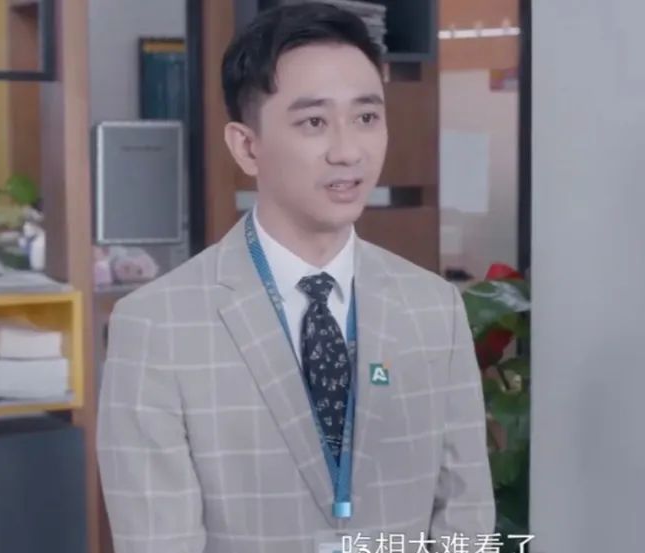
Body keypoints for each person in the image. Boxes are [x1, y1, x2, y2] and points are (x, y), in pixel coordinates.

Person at [95, 3, 495, 552]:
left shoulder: (434, 308)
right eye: (314, 122)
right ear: (247, 146)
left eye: (366, 117)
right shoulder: (156, 326)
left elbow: (466, 518)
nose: (348, 151)